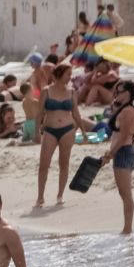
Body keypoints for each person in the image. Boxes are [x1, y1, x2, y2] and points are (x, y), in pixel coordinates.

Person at [35, 64, 90, 208]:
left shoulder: (72, 92)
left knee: (63, 163)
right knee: (44, 165)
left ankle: (60, 195)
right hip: (50, 130)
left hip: (67, 129)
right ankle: (40, 197)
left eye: (70, 74)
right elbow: (40, 113)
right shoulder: (46, 91)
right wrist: (36, 132)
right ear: (59, 75)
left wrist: (84, 132)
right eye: (67, 74)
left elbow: (76, 113)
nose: (70, 77)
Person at [101, 80, 134, 235]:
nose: (117, 94)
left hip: (123, 150)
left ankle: (127, 228)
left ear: (129, 93)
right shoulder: (122, 109)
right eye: (116, 91)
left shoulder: (128, 111)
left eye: (121, 91)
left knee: (126, 193)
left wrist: (110, 154)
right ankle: (127, 227)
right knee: (124, 193)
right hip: (122, 150)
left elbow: (123, 136)